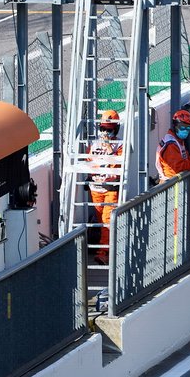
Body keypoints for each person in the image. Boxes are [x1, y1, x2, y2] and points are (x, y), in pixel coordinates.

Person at [88, 109, 124, 263]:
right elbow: (89, 161)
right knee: (100, 220)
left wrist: (109, 147)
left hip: (111, 188)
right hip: (95, 188)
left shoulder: (120, 145)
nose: (104, 132)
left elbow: (118, 163)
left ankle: (103, 252)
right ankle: (106, 248)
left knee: (107, 219)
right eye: (102, 129)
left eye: (108, 130)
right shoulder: (93, 144)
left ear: (115, 129)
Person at [157, 109, 190, 180]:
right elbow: (178, 167)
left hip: (177, 182)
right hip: (171, 184)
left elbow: (185, 158)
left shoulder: (178, 140)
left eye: (188, 128)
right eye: (182, 127)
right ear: (175, 125)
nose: (185, 130)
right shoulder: (171, 144)